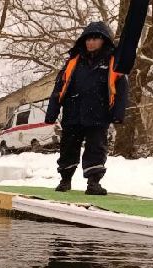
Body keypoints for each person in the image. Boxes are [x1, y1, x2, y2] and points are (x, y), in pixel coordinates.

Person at [45, 22, 129, 196]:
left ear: (104, 41)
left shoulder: (113, 62)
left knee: (96, 149)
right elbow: (59, 87)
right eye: (88, 39)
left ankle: (93, 183)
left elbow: (121, 89)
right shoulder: (73, 62)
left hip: (99, 115)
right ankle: (65, 179)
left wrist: (118, 114)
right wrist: (51, 113)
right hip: (73, 113)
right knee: (68, 148)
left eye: (95, 39)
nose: (91, 42)